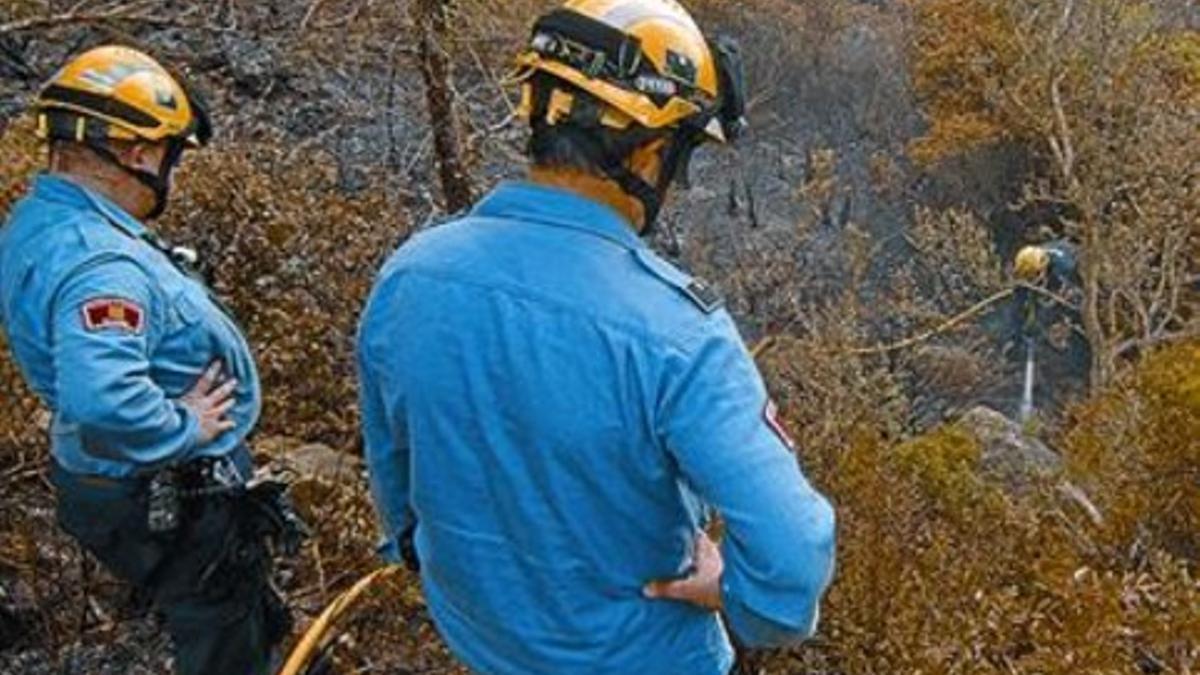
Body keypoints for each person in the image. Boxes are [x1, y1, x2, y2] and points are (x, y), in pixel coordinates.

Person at [357, 1, 836, 673]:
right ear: (647, 150)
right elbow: (793, 555)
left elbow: (399, 489)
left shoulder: (410, 275)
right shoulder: (680, 335)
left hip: (481, 641)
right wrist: (735, 596)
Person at [0, 45, 301, 674]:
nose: (172, 171)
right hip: (166, 492)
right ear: (137, 152)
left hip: (109, 478)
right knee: (221, 633)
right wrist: (184, 427)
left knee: (233, 611)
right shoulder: (101, 267)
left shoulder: (41, 219)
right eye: (171, 154)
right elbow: (102, 397)